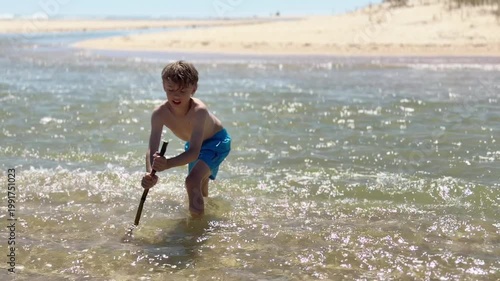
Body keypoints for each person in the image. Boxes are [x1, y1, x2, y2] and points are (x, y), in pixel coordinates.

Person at [141, 60, 231, 217]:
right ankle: (207, 214)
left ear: (194, 89)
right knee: (200, 186)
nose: (176, 95)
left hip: (216, 142)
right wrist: (150, 173)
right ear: (163, 86)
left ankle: (196, 230)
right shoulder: (159, 114)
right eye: (170, 90)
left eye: (182, 91)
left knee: (192, 181)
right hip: (194, 144)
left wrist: (167, 164)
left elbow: (195, 152)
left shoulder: (199, 111)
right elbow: (152, 149)